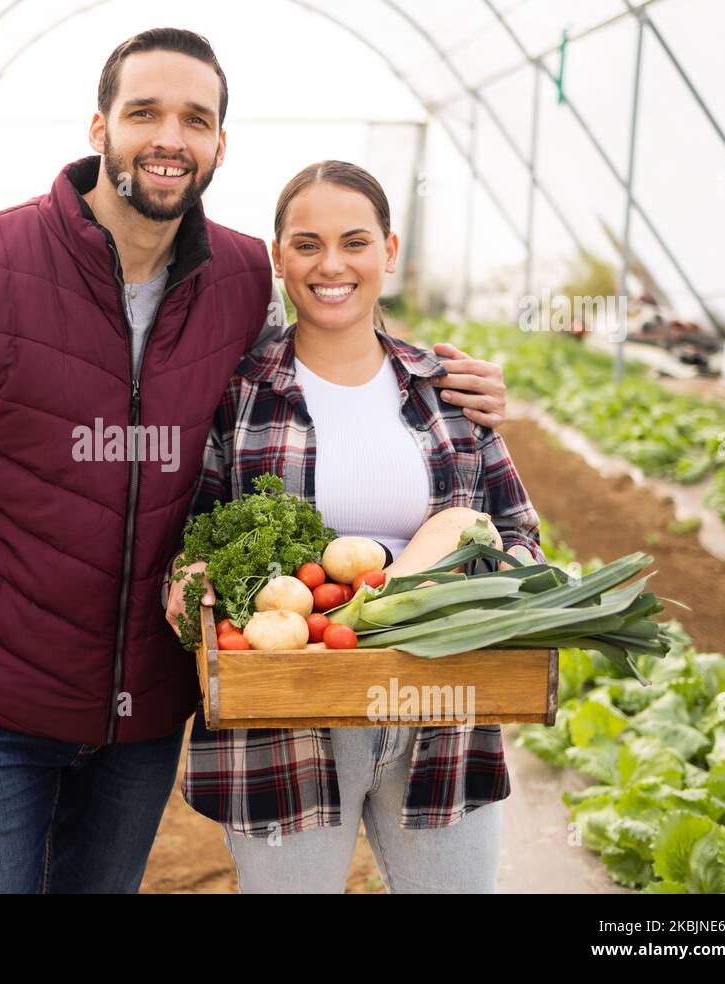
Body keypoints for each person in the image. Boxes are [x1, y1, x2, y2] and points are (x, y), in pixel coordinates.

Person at [0, 28, 510, 894]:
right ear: (98, 128)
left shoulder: (236, 278)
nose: (169, 138)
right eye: (144, 113)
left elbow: (330, 369)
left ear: (220, 145)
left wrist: (451, 383)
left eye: (195, 119)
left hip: (143, 719)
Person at [165, 160, 545, 894]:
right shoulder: (239, 394)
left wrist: (487, 585)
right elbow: (193, 537)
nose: (330, 265)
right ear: (279, 258)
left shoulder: (448, 390)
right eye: (306, 244)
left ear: (389, 252)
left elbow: (519, 533)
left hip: (440, 708)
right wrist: (189, 583)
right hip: (284, 715)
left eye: (354, 241)